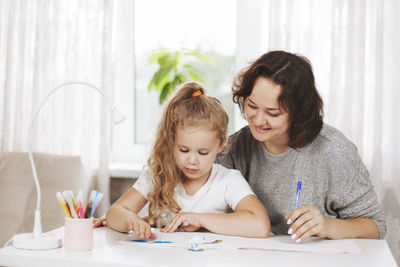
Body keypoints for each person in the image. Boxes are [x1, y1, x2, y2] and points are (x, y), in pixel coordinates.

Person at [217, 50, 386, 243]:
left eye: (272, 113)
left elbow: (376, 225)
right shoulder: (239, 145)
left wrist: (326, 225)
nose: (258, 120)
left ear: (298, 112)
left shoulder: (334, 151)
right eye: (252, 106)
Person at [106, 82, 271, 239]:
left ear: (220, 144)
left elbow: (260, 225)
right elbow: (115, 212)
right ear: (172, 141)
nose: (192, 160)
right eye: (183, 150)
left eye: (203, 152)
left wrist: (199, 219)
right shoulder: (158, 175)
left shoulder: (228, 180)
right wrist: (130, 220)